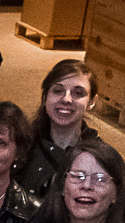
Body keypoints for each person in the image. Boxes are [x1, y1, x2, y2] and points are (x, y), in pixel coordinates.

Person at [13, 59, 98, 202]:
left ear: (91, 102)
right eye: (58, 91)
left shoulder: (101, 159)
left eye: (78, 93)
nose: (66, 99)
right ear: (45, 97)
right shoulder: (19, 147)